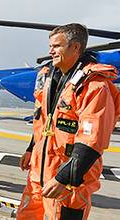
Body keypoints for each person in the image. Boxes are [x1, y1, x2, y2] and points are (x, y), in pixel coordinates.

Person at [17, 23, 120, 220]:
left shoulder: (94, 86)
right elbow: (43, 120)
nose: (50, 51)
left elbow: (93, 140)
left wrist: (64, 178)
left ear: (75, 47)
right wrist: (31, 149)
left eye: (56, 46)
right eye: (50, 46)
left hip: (69, 182)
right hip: (39, 173)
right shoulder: (50, 79)